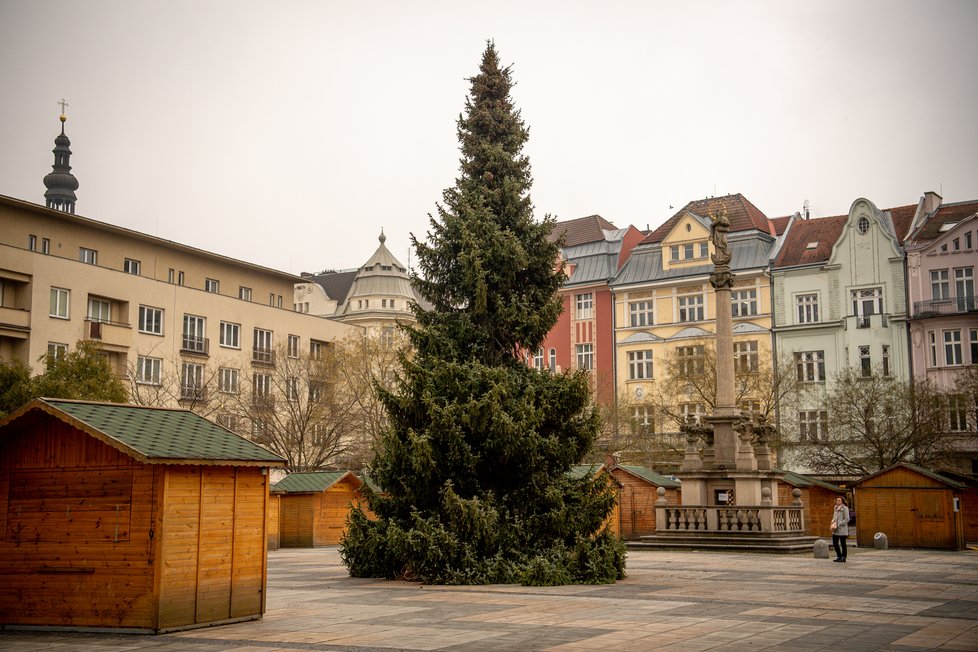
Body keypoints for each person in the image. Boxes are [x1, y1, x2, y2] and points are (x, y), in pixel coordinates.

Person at [830, 496, 850, 562]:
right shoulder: (835, 507)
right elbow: (834, 517)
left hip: (842, 529)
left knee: (843, 543)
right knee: (835, 543)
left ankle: (843, 557)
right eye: (837, 500)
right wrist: (832, 523)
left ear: (842, 501)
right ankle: (839, 556)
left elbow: (847, 519)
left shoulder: (845, 508)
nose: (837, 501)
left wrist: (840, 523)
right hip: (835, 528)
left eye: (839, 500)